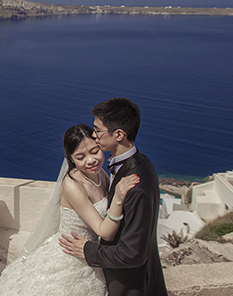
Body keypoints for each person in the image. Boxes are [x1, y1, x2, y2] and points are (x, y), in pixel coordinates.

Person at [0, 124, 139, 296]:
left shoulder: (101, 175)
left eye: (94, 151)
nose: (90, 160)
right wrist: (119, 200)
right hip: (72, 253)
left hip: (90, 252)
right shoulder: (72, 185)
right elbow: (104, 231)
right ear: (71, 159)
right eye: (80, 157)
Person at [59, 97, 168, 296]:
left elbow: (132, 253)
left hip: (129, 283)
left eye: (98, 130)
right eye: (80, 157)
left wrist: (88, 250)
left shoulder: (134, 185)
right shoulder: (140, 164)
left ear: (118, 134)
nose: (94, 134)